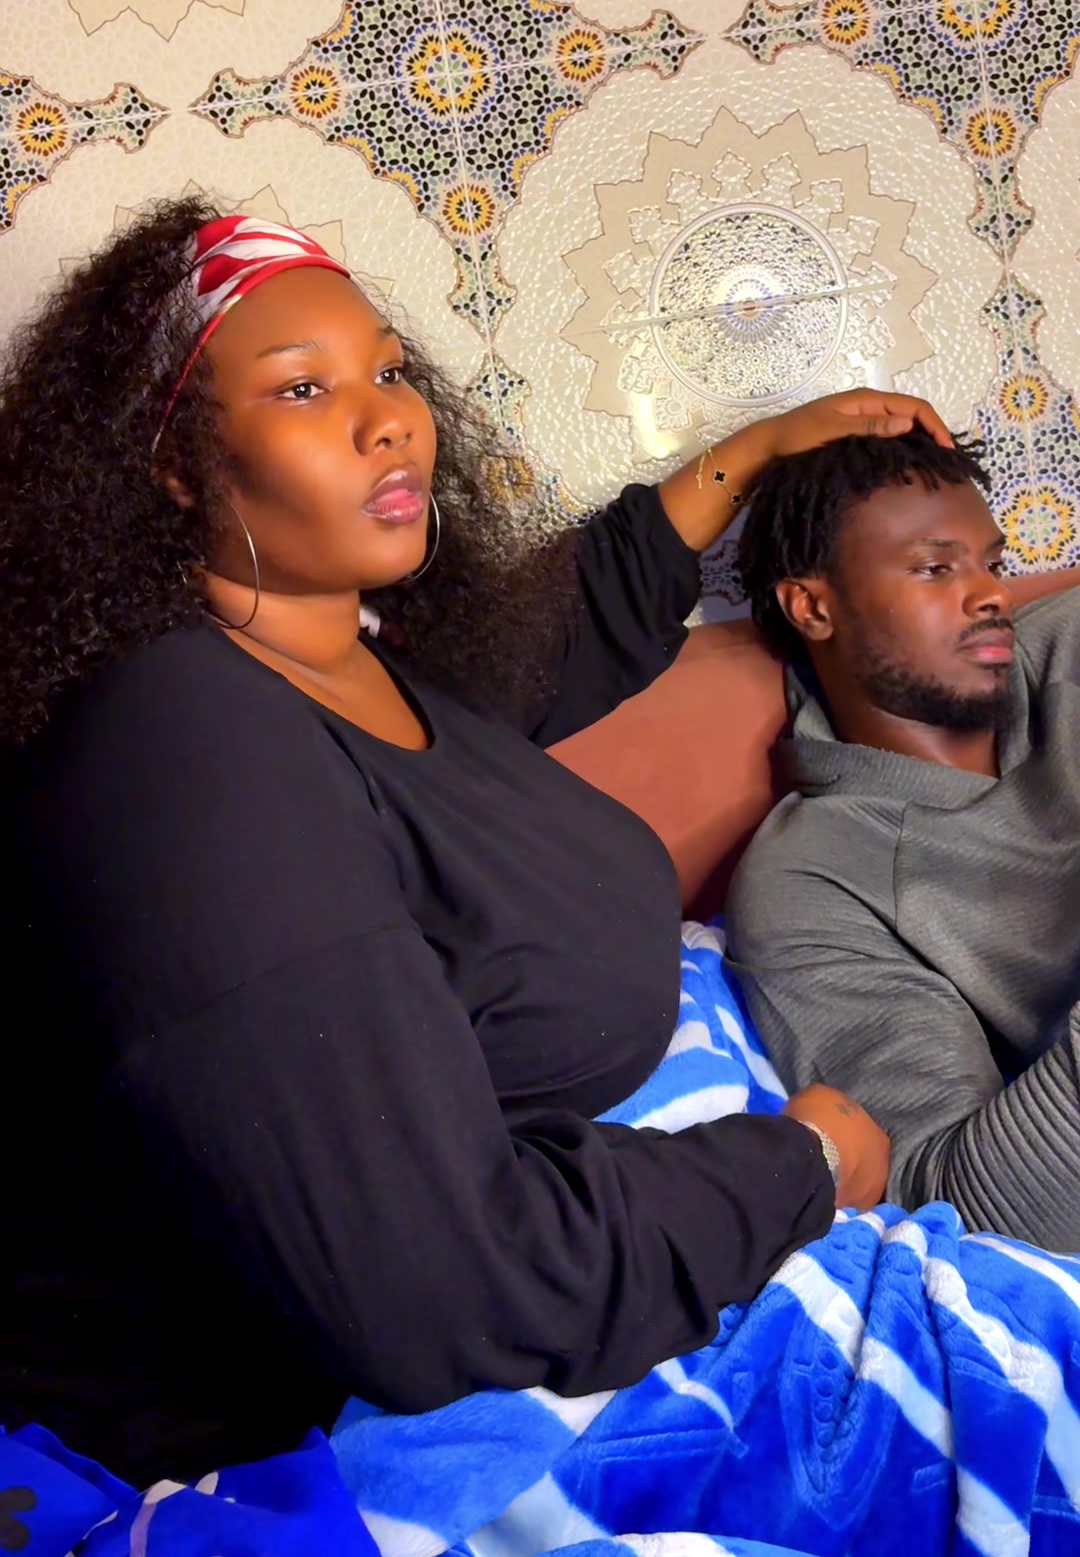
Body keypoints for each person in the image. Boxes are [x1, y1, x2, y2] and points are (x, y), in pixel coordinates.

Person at [0, 199, 926, 1486]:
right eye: (304, 388)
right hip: (281, 1442)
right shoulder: (189, 741)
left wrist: (759, 449)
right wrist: (798, 1164)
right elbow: (433, 1292)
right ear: (174, 468)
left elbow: (575, 622)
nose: (386, 418)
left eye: (388, 372)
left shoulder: (366, 658)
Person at [727, 426, 1080, 1256]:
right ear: (813, 608)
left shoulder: (1068, 645)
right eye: (934, 569)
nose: (991, 594)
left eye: (990, 562)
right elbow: (963, 1201)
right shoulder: (812, 880)